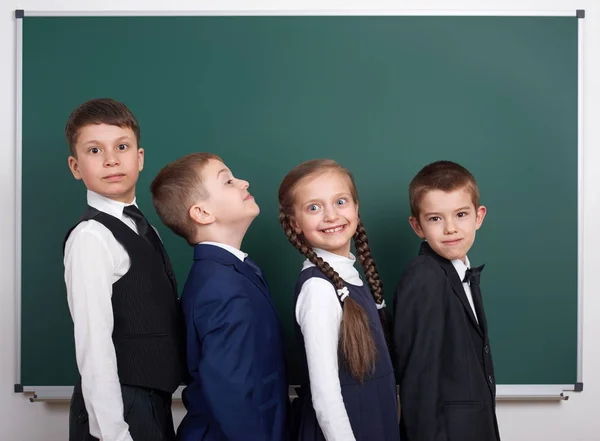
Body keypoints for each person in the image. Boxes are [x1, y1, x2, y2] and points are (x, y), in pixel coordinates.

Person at [63, 98, 185, 441]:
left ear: (139, 157)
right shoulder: (91, 237)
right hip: (119, 407)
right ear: (75, 166)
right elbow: (93, 341)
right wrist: (113, 432)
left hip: (150, 401)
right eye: (94, 150)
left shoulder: (142, 226)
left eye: (121, 146)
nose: (111, 159)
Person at [150, 153, 289, 441]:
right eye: (227, 181)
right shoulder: (220, 287)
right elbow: (232, 395)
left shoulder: (233, 273)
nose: (243, 182)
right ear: (201, 213)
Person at [278, 159, 399, 441]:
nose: (331, 216)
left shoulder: (352, 277)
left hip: (373, 424)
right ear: (295, 223)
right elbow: (326, 396)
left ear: (356, 208)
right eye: (314, 207)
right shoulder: (318, 290)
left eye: (340, 202)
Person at [393, 160, 500, 441]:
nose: (450, 228)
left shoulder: (460, 272)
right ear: (417, 226)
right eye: (435, 218)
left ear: (479, 216)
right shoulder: (424, 276)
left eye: (461, 214)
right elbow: (419, 383)